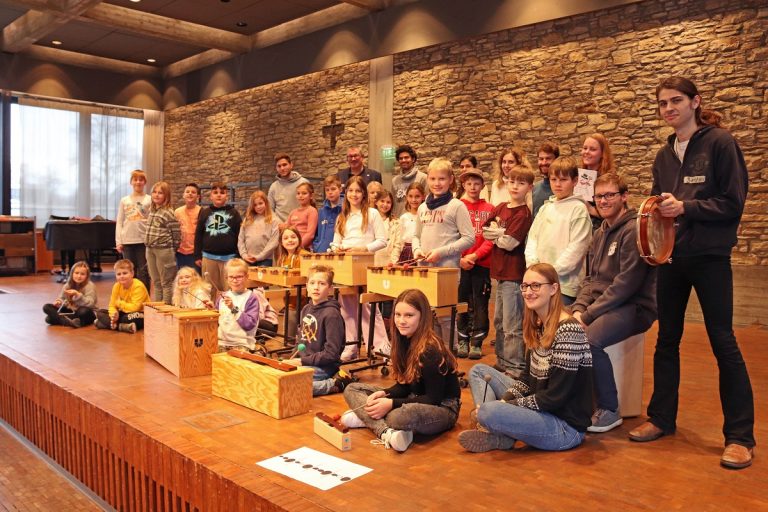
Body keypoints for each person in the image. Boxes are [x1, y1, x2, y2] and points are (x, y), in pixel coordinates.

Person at [627, 77, 755, 470]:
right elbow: (656, 205)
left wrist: (686, 208)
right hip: (672, 259)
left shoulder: (720, 143)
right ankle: (661, 419)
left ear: (695, 102)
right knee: (667, 339)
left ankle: (739, 437)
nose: (669, 108)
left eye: (676, 101)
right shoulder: (664, 155)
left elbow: (732, 203)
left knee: (722, 342)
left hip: (711, 258)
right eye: (663, 103)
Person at [458, 263, 593, 453]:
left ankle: (494, 427)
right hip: (543, 407)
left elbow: (555, 398)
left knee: (489, 411)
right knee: (479, 371)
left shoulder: (568, 330)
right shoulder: (540, 325)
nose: (528, 292)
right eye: (525, 286)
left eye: (536, 286)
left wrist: (506, 406)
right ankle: (500, 432)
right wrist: (506, 401)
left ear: (554, 288)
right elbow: (527, 379)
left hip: (564, 427)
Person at [571, 173, 657, 433]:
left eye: (610, 195)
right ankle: (578, 401)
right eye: (599, 196)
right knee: (559, 326)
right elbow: (591, 280)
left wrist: (588, 316)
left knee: (589, 340)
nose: (604, 200)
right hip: (608, 304)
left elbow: (626, 284)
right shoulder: (600, 233)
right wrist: (577, 309)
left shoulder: (633, 230)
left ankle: (610, 410)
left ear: (624, 197)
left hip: (636, 306)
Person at [341, 289, 461, 452]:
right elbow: (406, 386)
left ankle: (372, 420)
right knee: (352, 388)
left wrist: (391, 404)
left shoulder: (430, 350)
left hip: (443, 408)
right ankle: (384, 428)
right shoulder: (403, 339)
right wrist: (384, 394)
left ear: (422, 317)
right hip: (415, 397)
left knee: (401, 416)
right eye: (397, 315)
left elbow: (434, 398)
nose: (401, 321)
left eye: (409, 315)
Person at [412, 157, 476, 346]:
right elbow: (416, 235)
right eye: (432, 179)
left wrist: (441, 252)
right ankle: (434, 356)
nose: (436, 183)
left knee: (445, 317)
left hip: (446, 270)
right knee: (428, 317)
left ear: (450, 180)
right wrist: (417, 249)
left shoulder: (457, 205)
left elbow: (469, 238)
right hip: (424, 269)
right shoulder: (423, 207)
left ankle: (449, 357)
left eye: (441, 179)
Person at [482, 166, 535, 375]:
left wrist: (499, 232)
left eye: (521, 183)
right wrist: (499, 233)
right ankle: (503, 361)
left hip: (514, 274)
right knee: (499, 322)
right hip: (499, 273)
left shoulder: (523, 214)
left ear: (529, 187)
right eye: (512, 181)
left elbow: (509, 243)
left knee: (512, 325)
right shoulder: (502, 206)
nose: (515, 186)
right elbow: (486, 231)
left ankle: (515, 366)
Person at [331, 176, 389, 360]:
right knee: (347, 307)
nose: (354, 194)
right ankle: (351, 346)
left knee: (368, 306)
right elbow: (335, 242)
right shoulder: (342, 216)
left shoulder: (371, 213)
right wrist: (336, 249)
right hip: (346, 266)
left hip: (364, 264)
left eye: (357, 191)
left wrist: (363, 248)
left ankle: (380, 346)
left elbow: (382, 240)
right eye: (350, 191)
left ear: (363, 193)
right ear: (345, 193)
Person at [524, 156, 592, 305]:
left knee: (559, 326)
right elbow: (532, 239)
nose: (558, 184)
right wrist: (533, 267)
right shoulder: (545, 207)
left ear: (575, 181)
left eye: (563, 180)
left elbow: (576, 249)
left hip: (564, 286)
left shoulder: (578, 209)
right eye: (554, 179)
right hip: (538, 282)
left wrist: (548, 274)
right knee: (539, 326)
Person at [283, 265, 352, 396]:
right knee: (278, 379)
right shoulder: (306, 309)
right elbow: (301, 341)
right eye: (312, 283)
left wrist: (301, 362)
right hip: (305, 363)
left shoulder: (332, 315)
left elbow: (331, 354)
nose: (316, 287)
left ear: (330, 288)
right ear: (306, 286)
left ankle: (335, 383)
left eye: (322, 284)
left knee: (292, 387)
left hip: (325, 367)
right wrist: (293, 359)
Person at [456, 168, 494, 359]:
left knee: (480, 303)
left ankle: (477, 341)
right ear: (463, 185)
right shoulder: (457, 206)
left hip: (481, 264)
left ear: (482, 186)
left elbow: (490, 238)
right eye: (469, 183)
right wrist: (461, 258)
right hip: (460, 264)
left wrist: (475, 256)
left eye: (476, 183)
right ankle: (462, 338)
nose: (472, 187)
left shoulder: (489, 209)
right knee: (462, 302)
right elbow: (452, 236)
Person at [194, 182, 242, 293]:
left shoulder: (234, 213)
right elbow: (198, 234)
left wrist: (238, 255)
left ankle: (229, 310)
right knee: (209, 289)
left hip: (229, 258)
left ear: (227, 196)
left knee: (230, 289)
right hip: (209, 258)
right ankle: (210, 310)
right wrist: (197, 255)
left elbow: (240, 235)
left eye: (222, 193)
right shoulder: (205, 213)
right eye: (215, 193)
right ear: (211, 196)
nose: (219, 195)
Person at [204, 258, 260, 353]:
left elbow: (249, 325)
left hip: (242, 344)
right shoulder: (223, 297)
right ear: (226, 278)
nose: (235, 280)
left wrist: (233, 308)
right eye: (231, 277)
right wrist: (212, 310)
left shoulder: (251, 298)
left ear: (247, 277)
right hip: (221, 342)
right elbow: (218, 320)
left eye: (239, 277)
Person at [145, 181, 181, 304]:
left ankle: (166, 309)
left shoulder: (168, 212)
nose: (156, 195)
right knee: (156, 282)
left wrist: (171, 249)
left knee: (166, 282)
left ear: (166, 196)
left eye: (160, 193)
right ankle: (157, 308)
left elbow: (176, 234)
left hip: (163, 250)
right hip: (150, 249)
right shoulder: (153, 210)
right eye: (154, 192)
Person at [115, 169, 151, 290]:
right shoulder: (124, 200)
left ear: (144, 182)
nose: (138, 182)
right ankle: (130, 296)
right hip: (127, 241)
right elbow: (119, 221)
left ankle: (143, 300)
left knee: (143, 271)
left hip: (143, 241)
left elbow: (151, 221)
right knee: (129, 271)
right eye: (135, 179)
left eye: (141, 180)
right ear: (131, 182)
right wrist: (118, 241)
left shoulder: (149, 199)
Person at [95, 259, 149, 333]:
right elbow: (112, 305)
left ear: (132, 273)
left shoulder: (138, 286)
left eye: (125, 273)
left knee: (127, 318)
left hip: (139, 313)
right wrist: (113, 315)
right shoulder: (116, 286)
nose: (122, 276)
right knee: (100, 313)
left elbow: (135, 307)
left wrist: (119, 303)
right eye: (119, 274)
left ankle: (105, 324)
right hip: (124, 312)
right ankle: (123, 327)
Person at [42, 260, 97, 328]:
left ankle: (61, 320)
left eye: (82, 274)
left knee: (83, 311)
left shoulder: (89, 285)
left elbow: (90, 303)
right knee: (46, 307)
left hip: (85, 311)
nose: (79, 276)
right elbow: (62, 299)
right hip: (71, 311)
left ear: (87, 276)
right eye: (76, 273)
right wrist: (59, 302)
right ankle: (69, 322)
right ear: (72, 273)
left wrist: (78, 295)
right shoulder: (67, 285)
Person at [580, 133, 617, 227]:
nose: (586, 152)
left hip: (600, 229)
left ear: (602, 154)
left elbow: (615, 213)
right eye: (585, 148)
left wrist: (590, 209)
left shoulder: (609, 180)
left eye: (592, 149)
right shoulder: (579, 176)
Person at [238, 190, 280, 267]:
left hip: (266, 259)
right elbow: (241, 239)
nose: (258, 207)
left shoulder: (274, 220)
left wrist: (260, 256)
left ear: (266, 203)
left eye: (260, 203)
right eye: (255, 205)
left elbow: (273, 242)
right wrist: (244, 255)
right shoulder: (248, 219)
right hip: (248, 259)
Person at [268, 153, 309, 223]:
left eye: (284, 165)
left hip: (300, 226)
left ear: (291, 165)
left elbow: (310, 207)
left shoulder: (303, 183)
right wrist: (280, 225)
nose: (282, 168)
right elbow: (269, 210)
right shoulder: (273, 187)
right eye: (279, 166)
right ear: (276, 168)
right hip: (280, 227)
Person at [391, 182, 425, 264]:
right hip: (406, 253)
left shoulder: (425, 216)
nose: (413, 200)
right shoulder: (404, 218)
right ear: (406, 197)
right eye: (410, 196)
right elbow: (399, 242)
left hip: (421, 251)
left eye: (417, 196)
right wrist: (394, 259)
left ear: (423, 197)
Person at [391, 145, 427, 217]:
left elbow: (427, 201)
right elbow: (393, 202)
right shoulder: (395, 180)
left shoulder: (423, 178)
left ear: (413, 159)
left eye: (406, 157)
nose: (403, 160)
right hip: (399, 220)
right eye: (401, 158)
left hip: (417, 219)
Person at [174, 183, 201, 270]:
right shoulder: (177, 212)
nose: (190, 193)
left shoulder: (202, 211)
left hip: (194, 253)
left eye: (193, 192)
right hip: (179, 252)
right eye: (187, 192)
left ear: (198, 196)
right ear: (183, 195)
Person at [313, 175, 343, 253]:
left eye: (333, 189)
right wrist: (317, 246)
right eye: (327, 190)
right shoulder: (321, 211)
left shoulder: (346, 209)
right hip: (321, 252)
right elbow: (316, 234)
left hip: (340, 252)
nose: (330, 192)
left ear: (340, 189)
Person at [284, 182, 318, 249]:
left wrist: (297, 247)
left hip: (304, 249)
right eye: (298, 193)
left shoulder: (312, 211)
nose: (300, 196)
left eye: (304, 193)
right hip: (291, 247)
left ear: (311, 196)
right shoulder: (293, 212)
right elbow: (286, 229)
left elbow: (310, 234)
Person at [531, 142, 559, 217]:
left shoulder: (563, 188)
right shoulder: (535, 188)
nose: (544, 162)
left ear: (556, 160)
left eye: (548, 158)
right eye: (541, 159)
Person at [374, 190, 399, 267]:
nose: (385, 204)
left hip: (388, 262)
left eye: (388, 202)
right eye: (382, 201)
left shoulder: (396, 222)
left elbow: (397, 245)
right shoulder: (369, 220)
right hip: (372, 260)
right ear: (376, 202)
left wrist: (393, 262)